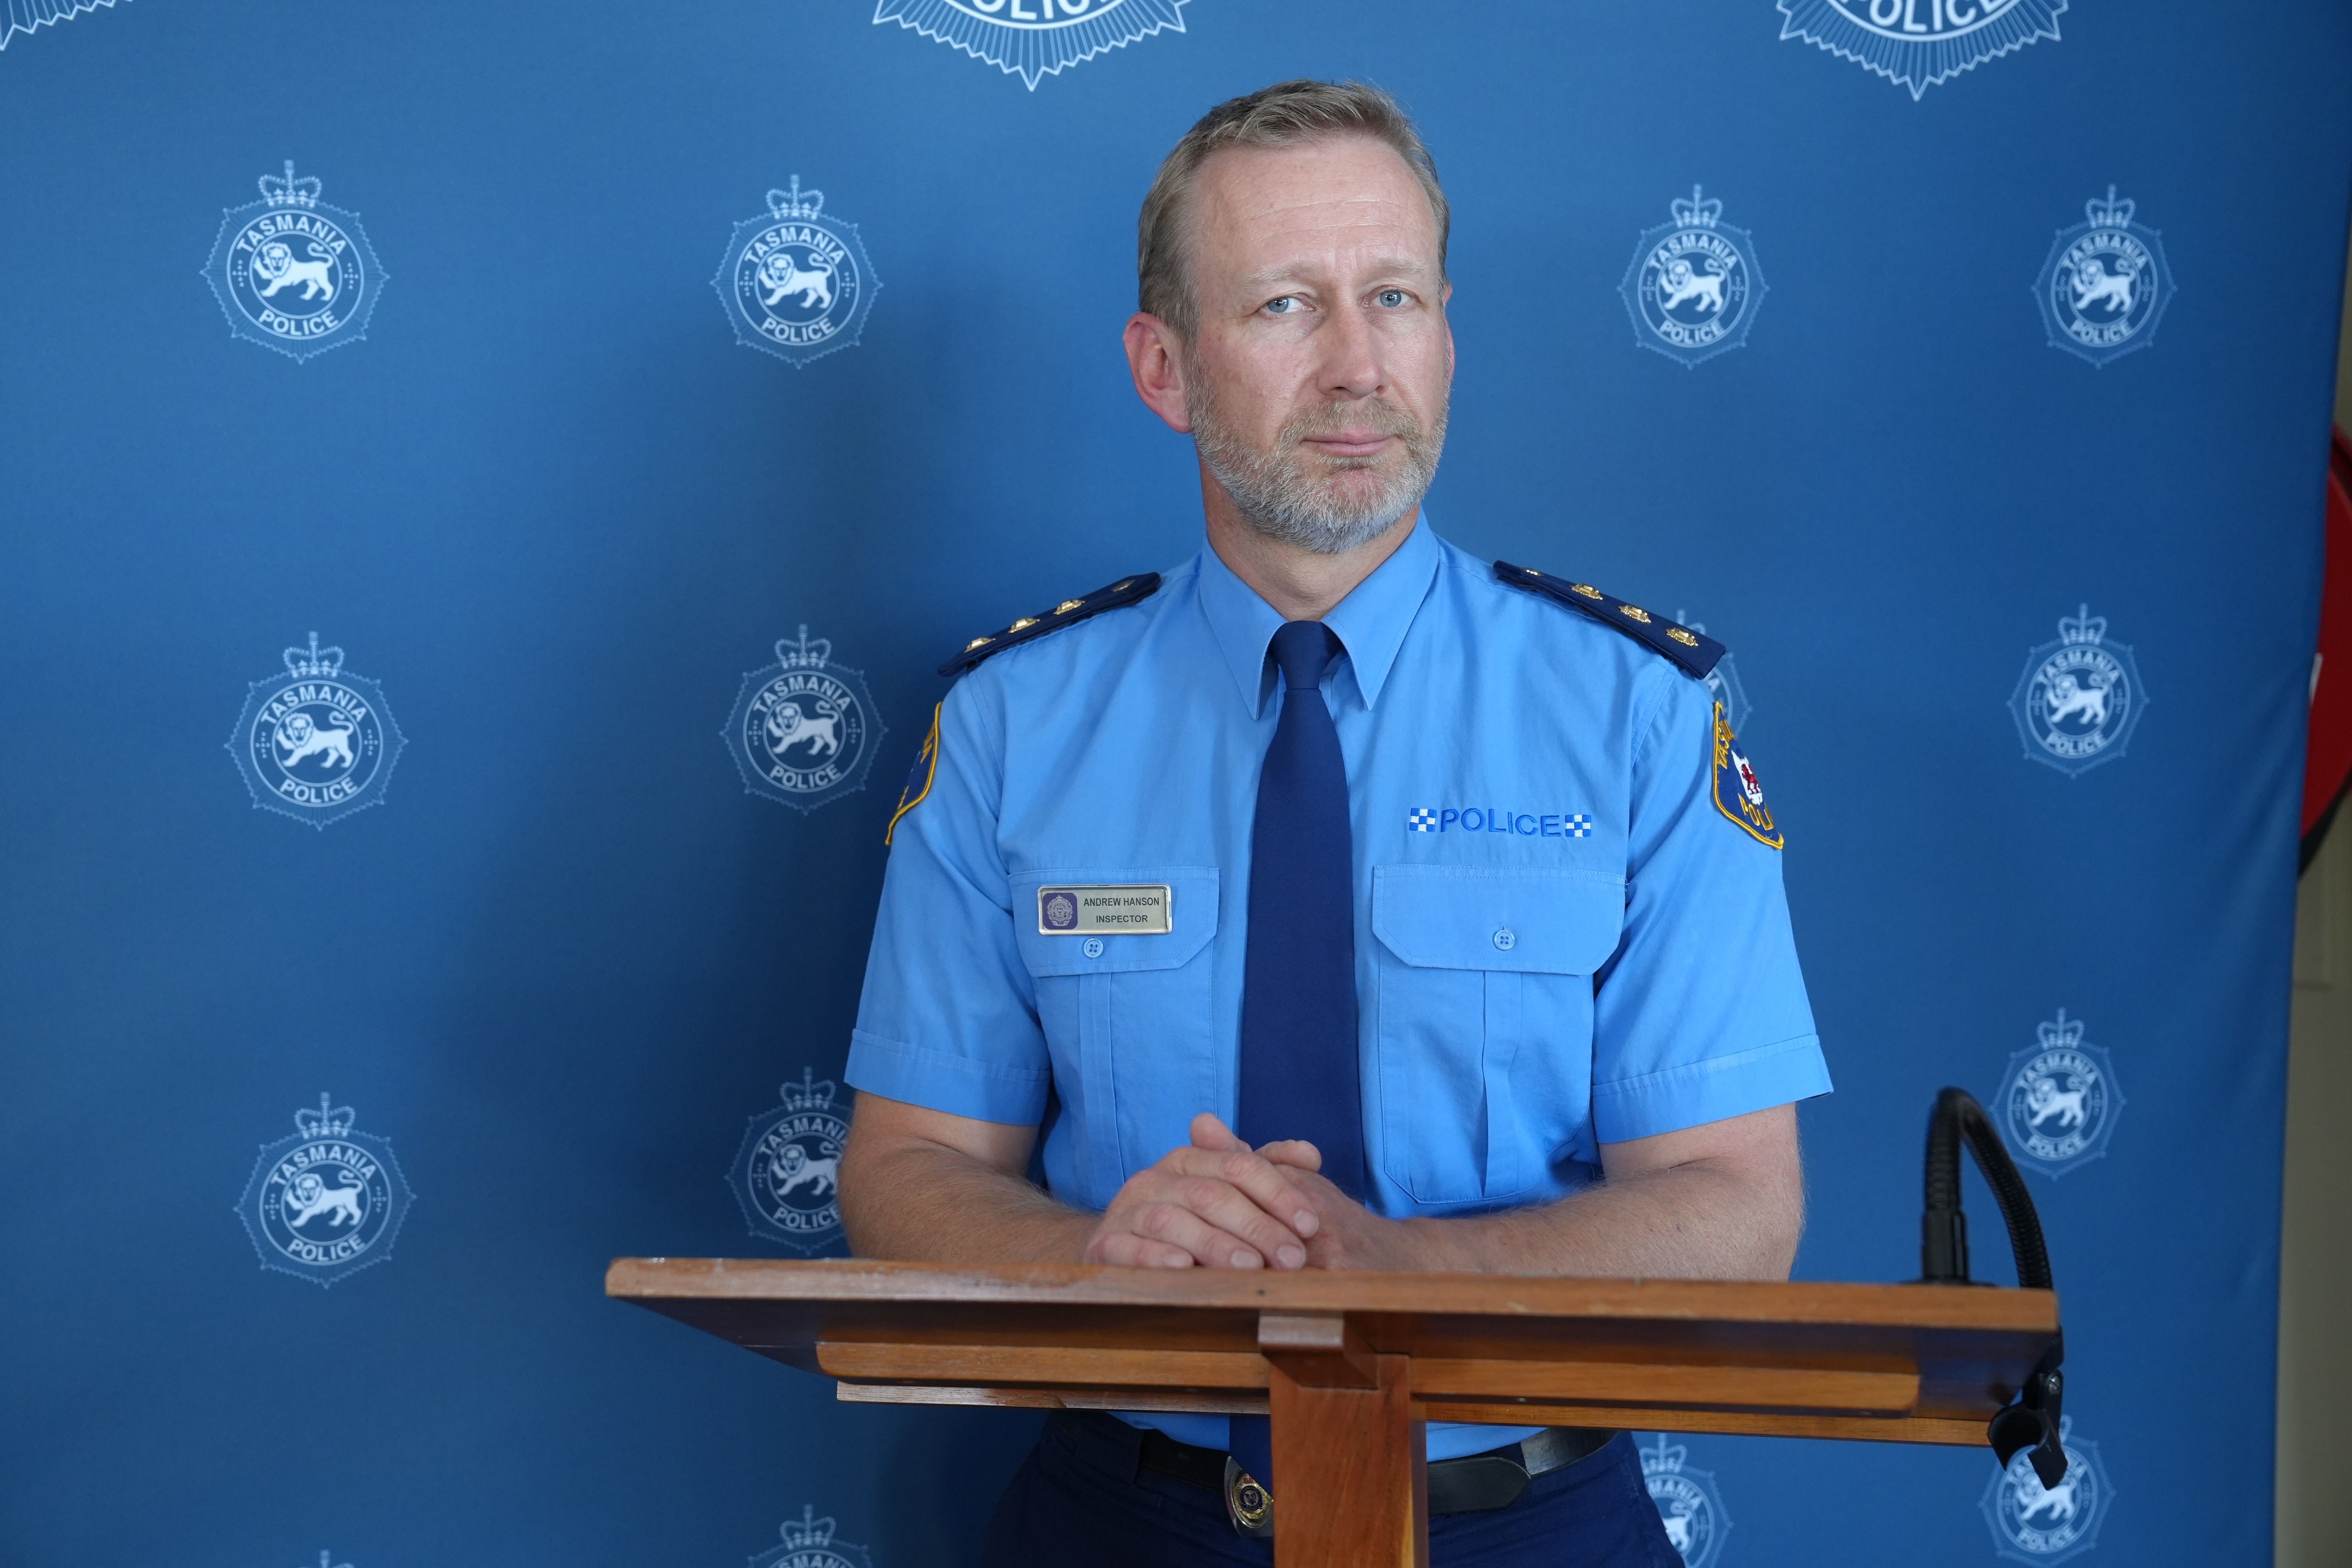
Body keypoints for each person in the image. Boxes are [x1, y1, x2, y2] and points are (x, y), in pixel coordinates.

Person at [837, 79, 1830, 1568]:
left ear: (1449, 332)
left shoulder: (1636, 712)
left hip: (1528, 1526)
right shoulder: (1010, 726)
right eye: (1288, 306)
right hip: (1126, 1521)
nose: (1360, 367)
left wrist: (1392, 1270)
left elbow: (1740, 1213)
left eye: (1397, 299)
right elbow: (902, 1170)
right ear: (1164, 368)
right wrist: (1100, 1256)